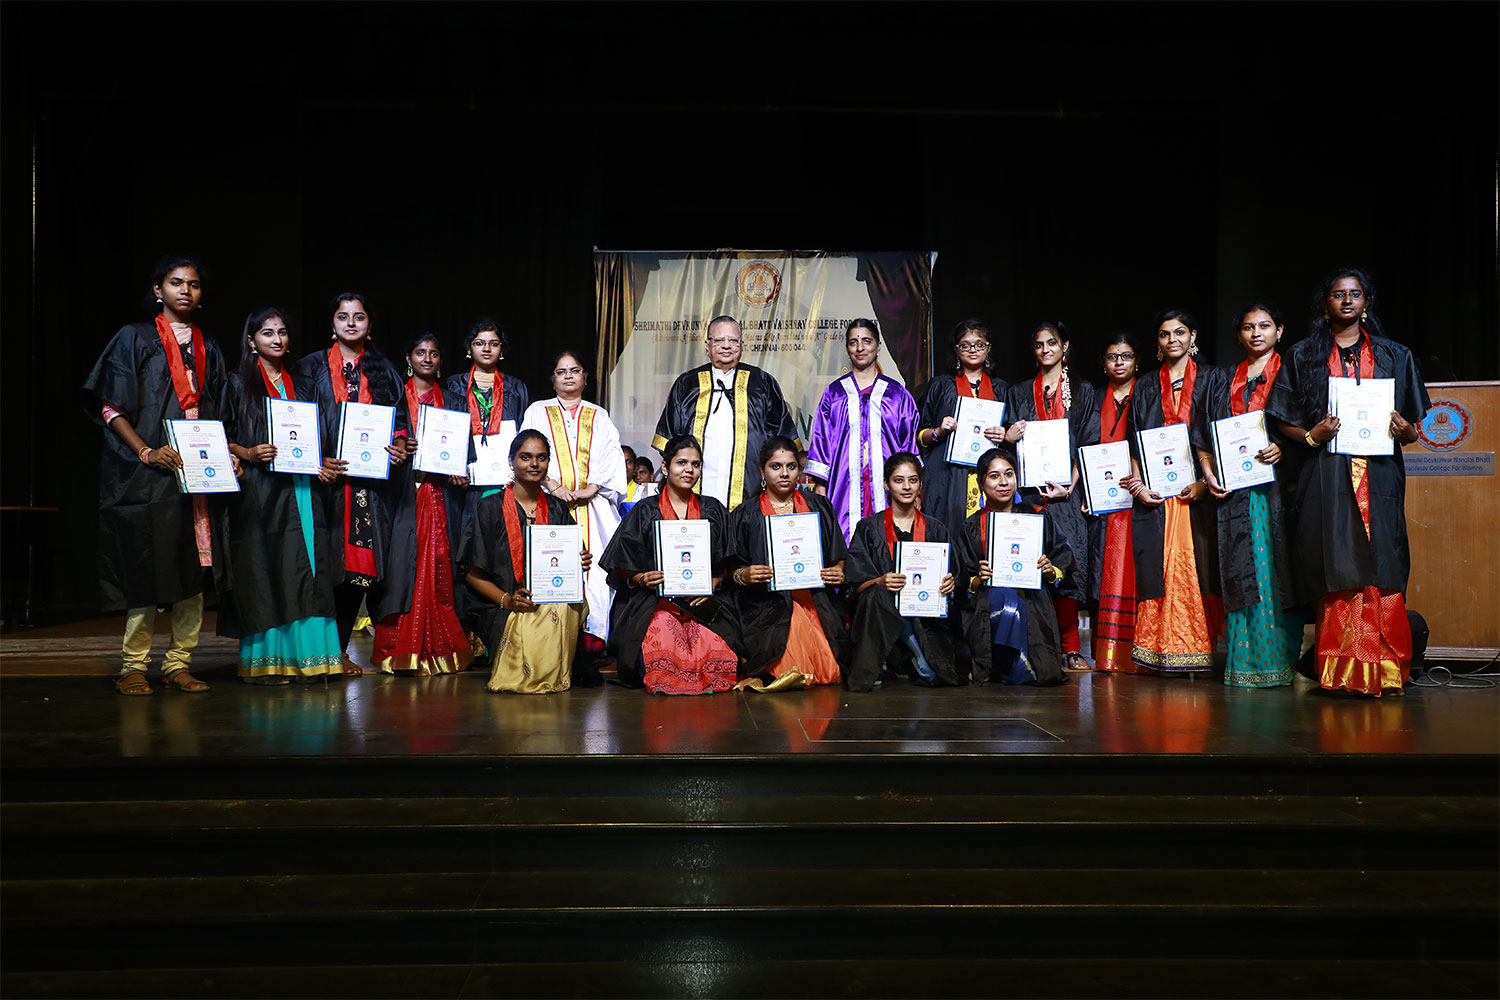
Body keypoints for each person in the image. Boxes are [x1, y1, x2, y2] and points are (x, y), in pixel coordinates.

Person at [1268, 267, 1429, 697]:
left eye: (1355, 294)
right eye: (1338, 294)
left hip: (1380, 474)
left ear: (1366, 303)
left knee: (1382, 564)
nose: (1347, 301)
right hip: (1327, 473)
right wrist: (1311, 436)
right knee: (1337, 565)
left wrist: (1407, 433)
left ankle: (1385, 670)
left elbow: (1413, 424)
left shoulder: (1395, 355)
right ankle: (1340, 671)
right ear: (1326, 304)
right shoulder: (1303, 356)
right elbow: (1281, 417)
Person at [83, 255, 233, 694]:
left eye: (194, 284)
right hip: (149, 473)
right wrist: (145, 451)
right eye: (176, 282)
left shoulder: (208, 345)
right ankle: (133, 665)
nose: (186, 290)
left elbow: (219, 409)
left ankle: (179, 662)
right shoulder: (135, 337)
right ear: (158, 290)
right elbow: (111, 406)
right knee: (147, 565)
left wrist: (227, 453)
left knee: (194, 568)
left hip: (198, 473)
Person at [220, 307, 342, 683]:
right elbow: (220, 434)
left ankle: (312, 658)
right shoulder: (237, 383)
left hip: (301, 489)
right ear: (251, 340)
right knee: (265, 569)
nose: (277, 339)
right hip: (259, 491)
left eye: (283, 332)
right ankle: (270, 661)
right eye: (268, 333)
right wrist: (247, 452)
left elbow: (312, 440)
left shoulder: (302, 384)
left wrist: (320, 463)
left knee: (307, 567)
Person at [296, 292, 409, 675]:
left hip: (369, 491)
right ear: (332, 324)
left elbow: (400, 422)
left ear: (369, 325)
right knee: (323, 569)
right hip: (323, 485)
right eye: (343, 316)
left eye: (358, 317)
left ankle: (340, 650)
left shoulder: (384, 371)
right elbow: (295, 422)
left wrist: (398, 445)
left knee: (358, 572)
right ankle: (318, 650)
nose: (350, 323)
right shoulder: (309, 367)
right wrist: (315, 461)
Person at [1195, 303, 1302, 688]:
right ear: (1239, 334)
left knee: (1277, 571)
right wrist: (1208, 473)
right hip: (1233, 494)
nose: (1256, 333)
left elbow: (1309, 430)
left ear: (1279, 330)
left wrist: (1284, 448)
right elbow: (1201, 433)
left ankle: (1280, 660)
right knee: (1240, 571)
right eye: (1248, 327)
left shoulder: (1293, 373)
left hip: (1280, 492)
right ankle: (1245, 663)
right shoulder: (1222, 378)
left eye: (1264, 326)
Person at [600, 434, 742, 694]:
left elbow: (731, 563)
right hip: (655, 602)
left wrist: (715, 581)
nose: (689, 470)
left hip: (703, 601)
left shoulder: (713, 510)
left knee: (713, 645)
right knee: (664, 638)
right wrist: (641, 578)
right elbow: (620, 566)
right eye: (681, 463)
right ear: (665, 467)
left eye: (695, 464)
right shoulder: (645, 511)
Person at [367, 335, 472, 674]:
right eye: (420, 352)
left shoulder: (455, 402)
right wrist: (397, 447)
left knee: (440, 565)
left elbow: (464, 452)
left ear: (441, 361)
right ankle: (398, 648)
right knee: (400, 569)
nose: (427, 358)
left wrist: (459, 470)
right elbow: (375, 443)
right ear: (409, 358)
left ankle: (439, 648)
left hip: (441, 496)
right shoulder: (393, 397)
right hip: (400, 496)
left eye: (434, 353)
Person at [1127, 309, 1224, 673]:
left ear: (1192, 336)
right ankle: (1157, 649)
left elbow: (1219, 433)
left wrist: (1205, 483)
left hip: (1198, 494)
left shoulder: (1212, 379)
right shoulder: (1146, 385)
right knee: (1159, 571)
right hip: (1157, 497)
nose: (1173, 340)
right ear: (1158, 342)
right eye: (1165, 334)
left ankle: (1197, 647)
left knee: (1198, 569)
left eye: (1180, 332)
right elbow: (1134, 441)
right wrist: (1138, 486)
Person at [458, 430, 591, 693]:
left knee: (567, 604)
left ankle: (552, 675)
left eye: (541, 458)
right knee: (536, 616)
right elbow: (472, 574)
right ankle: (535, 675)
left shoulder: (557, 508)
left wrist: (580, 561)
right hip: (499, 604)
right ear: (511, 461)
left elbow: (570, 560)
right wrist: (508, 600)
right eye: (525, 457)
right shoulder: (489, 507)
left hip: (549, 596)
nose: (534, 464)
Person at [1003, 321, 1096, 671]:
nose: (1046, 350)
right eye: (1040, 344)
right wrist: (1009, 437)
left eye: (1052, 343)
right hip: (1028, 496)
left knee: (1068, 567)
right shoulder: (1019, 392)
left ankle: (1070, 647)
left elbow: (1089, 442)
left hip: (1065, 496)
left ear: (1064, 346)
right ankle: (1035, 645)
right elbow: (1008, 445)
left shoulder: (1083, 391)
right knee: (1029, 568)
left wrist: (1070, 486)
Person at [724, 436, 849, 691]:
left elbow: (839, 557)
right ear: (762, 470)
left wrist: (838, 571)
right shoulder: (745, 514)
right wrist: (744, 575)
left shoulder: (818, 506)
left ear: (799, 470)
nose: (784, 473)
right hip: (766, 603)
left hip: (815, 598)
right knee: (791, 651)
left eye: (791, 466)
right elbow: (729, 572)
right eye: (776, 466)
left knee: (831, 667)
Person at [520, 349, 626, 648]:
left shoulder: (599, 415)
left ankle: (593, 638)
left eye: (574, 370)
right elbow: (525, 451)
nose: (568, 376)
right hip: (547, 502)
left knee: (597, 570)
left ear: (585, 377)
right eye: (561, 371)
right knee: (551, 565)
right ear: (552, 379)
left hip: (594, 506)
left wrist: (593, 487)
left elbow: (612, 455)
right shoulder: (537, 410)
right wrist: (552, 485)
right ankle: (550, 638)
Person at [953, 446, 1073, 686]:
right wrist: (978, 579)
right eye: (994, 476)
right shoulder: (972, 526)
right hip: (987, 604)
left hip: (1034, 600)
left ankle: (1004, 666)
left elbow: (1063, 556)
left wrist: (1051, 571)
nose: (1003, 482)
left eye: (1009, 474)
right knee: (1006, 600)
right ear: (981, 482)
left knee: (1045, 672)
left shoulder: (1038, 516)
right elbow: (961, 579)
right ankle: (1006, 664)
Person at [651, 315, 798, 510]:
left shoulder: (762, 383)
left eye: (733, 340)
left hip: (751, 498)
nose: (726, 346)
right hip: (693, 501)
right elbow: (669, 444)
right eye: (719, 340)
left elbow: (782, 445)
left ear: (742, 345)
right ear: (707, 345)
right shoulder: (686, 384)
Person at [845, 453, 961, 691]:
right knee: (876, 595)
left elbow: (956, 577)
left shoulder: (936, 529)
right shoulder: (868, 528)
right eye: (898, 480)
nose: (907, 487)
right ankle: (879, 662)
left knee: (936, 674)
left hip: (924, 616)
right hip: (879, 613)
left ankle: (905, 656)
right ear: (886, 484)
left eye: (913, 480)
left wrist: (951, 582)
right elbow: (854, 584)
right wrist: (880, 581)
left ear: (921, 483)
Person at [804, 319, 920, 541]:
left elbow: (909, 445)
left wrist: (913, 489)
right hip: (843, 485)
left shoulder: (897, 394)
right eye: (853, 342)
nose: (860, 348)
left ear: (878, 346)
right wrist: (820, 488)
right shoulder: (834, 394)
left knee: (889, 543)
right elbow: (822, 441)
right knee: (844, 542)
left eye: (867, 341)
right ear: (847, 348)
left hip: (888, 487)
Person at [1082, 331, 1143, 673]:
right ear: (1103, 363)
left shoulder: (1147, 394)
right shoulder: (1091, 398)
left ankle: (1138, 651)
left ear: (1137, 361)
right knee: (1099, 573)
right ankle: (1105, 653)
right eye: (1112, 357)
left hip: (1138, 496)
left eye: (1126, 356)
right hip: (1100, 499)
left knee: (1137, 570)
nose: (1119, 363)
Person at [916, 318, 1011, 532]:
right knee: (949, 534)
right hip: (947, 477)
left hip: (990, 476)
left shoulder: (1002, 389)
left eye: (979, 344)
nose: (973, 350)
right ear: (956, 350)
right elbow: (919, 436)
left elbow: (1012, 439)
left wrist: (1004, 435)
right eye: (965, 345)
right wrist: (939, 431)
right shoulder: (940, 386)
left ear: (988, 348)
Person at [443, 317, 529, 492]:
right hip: (463, 480)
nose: (487, 348)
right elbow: (446, 430)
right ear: (469, 348)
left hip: (506, 479)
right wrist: (452, 467)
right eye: (479, 343)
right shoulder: (454, 385)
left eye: (494, 344)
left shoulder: (516, 388)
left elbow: (524, 432)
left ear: (501, 349)